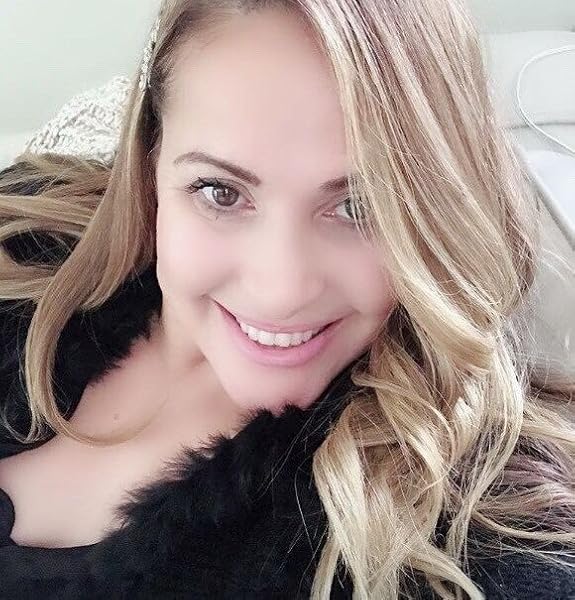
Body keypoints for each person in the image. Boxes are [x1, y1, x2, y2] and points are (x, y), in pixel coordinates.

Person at [0, 0, 573, 598]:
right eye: (220, 192)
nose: (281, 291)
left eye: (359, 207)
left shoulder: (475, 522)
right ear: (150, 169)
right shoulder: (26, 239)